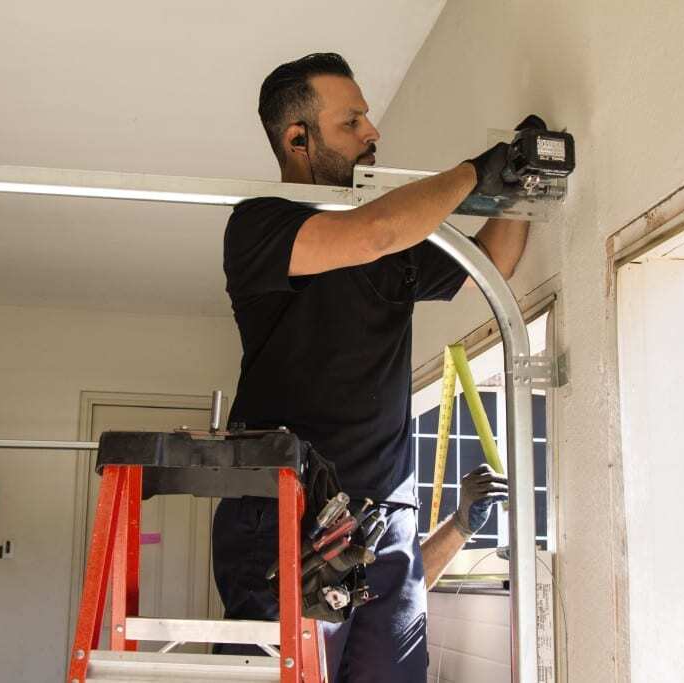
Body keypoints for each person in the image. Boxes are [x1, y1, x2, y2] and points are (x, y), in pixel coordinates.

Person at [212, 52, 530, 682]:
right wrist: (472, 173)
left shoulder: (398, 248)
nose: (372, 133)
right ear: (297, 140)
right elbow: (376, 231)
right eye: (351, 121)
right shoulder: (260, 224)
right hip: (287, 511)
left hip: (386, 518)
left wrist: (521, 182)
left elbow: (495, 262)